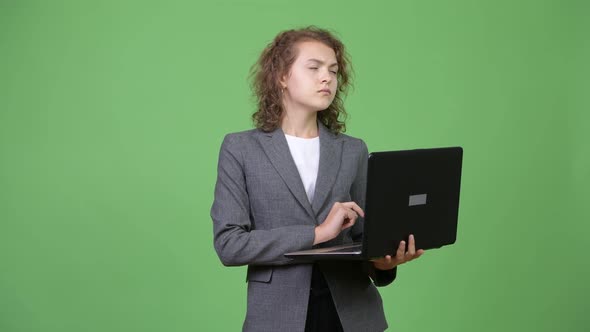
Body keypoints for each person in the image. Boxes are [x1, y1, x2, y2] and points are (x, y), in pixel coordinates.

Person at [211, 26, 424, 332]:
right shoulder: (240, 148)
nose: (327, 78)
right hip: (277, 317)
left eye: (334, 71)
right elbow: (230, 244)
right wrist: (317, 233)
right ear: (282, 76)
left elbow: (366, 239)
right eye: (314, 68)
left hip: (353, 316)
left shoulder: (352, 150)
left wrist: (384, 263)